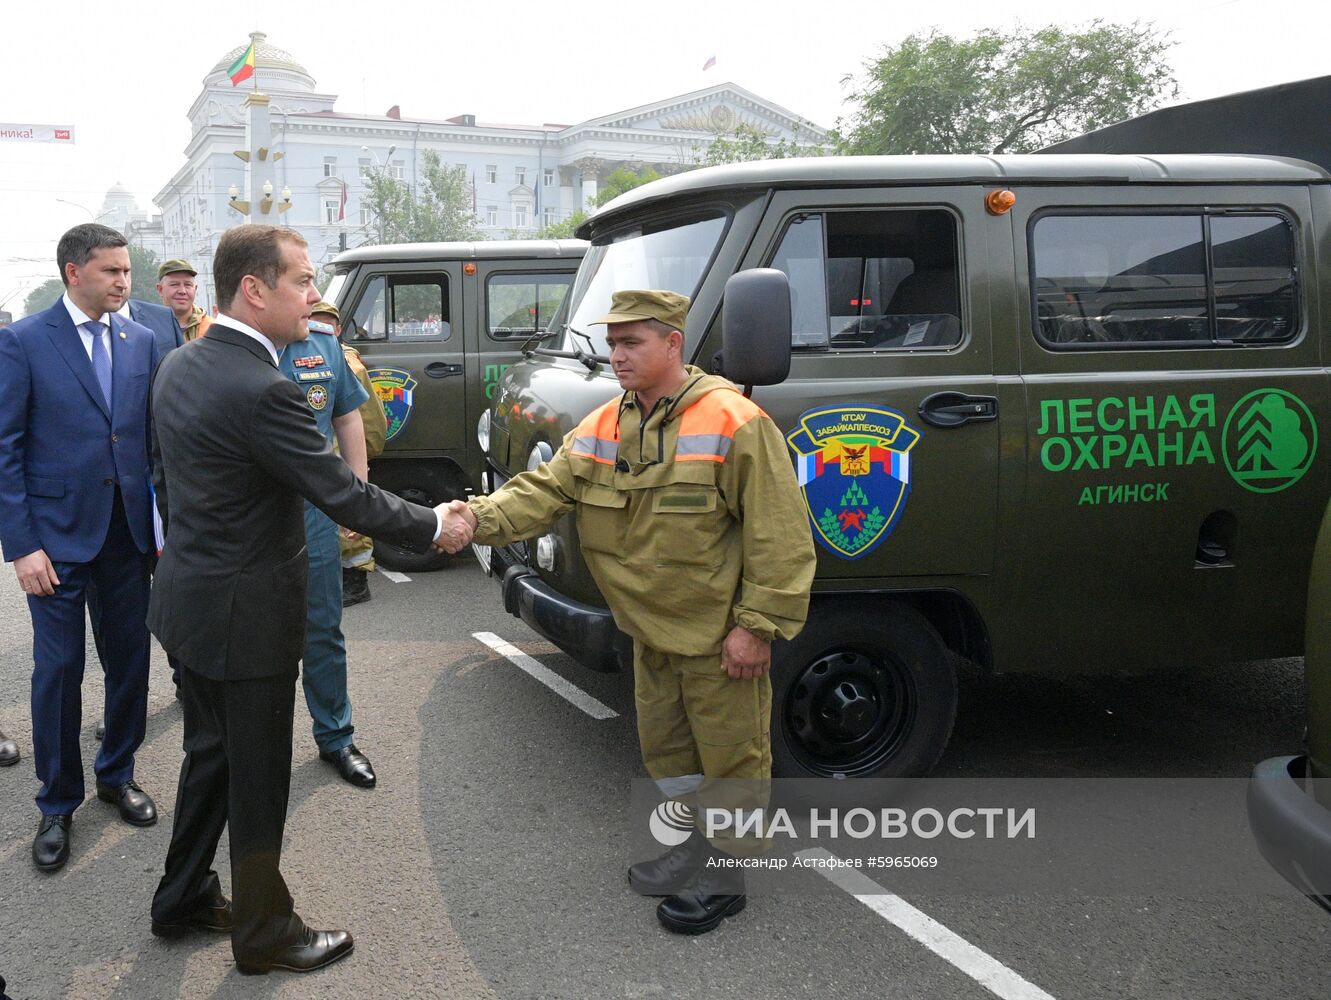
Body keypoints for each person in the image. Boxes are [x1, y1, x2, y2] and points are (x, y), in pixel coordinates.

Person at [441, 289, 816, 934]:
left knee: (732, 760)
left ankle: (729, 876)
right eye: (612, 343)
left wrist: (756, 630)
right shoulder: (607, 424)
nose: (616, 356)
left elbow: (780, 538)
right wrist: (474, 519)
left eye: (631, 342)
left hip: (716, 639)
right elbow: (545, 490)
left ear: (673, 343)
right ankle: (694, 846)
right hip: (648, 633)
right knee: (669, 758)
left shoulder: (734, 421)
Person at [147, 224, 462, 975]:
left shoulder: (180, 364)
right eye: (302, 281)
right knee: (256, 780)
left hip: (189, 605)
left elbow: (168, 480)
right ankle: (264, 934)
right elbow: (343, 495)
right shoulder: (263, 387)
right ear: (253, 291)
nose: (315, 296)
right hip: (245, 620)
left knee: (210, 759)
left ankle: (181, 897)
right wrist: (436, 523)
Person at [0, 223, 162, 873]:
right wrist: (22, 545)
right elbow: (6, 449)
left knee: (129, 665)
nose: (124, 281)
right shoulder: (23, 342)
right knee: (59, 672)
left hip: (127, 536)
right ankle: (58, 801)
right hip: (56, 542)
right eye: (111, 272)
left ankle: (116, 774)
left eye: (126, 271)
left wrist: (162, 528)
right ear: (74, 272)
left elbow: (150, 444)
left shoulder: (144, 339)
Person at [278, 300, 380, 787]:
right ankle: (256, 747)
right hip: (248, 520)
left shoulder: (322, 344)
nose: (312, 292)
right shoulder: (229, 347)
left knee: (323, 629)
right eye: (301, 281)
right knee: (257, 637)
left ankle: (336, 736)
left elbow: (347, 416)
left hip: (314, 512)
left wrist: (355, 495)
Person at [326, 303, 388, 608]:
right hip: (327, 454)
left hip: (345, 454)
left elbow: (371, 420)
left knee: (352, 523)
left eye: (327, 325)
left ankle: (357, 581)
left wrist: (362, 457)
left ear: (337, 330)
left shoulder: (348, 365)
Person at [156, 259, 211, 341]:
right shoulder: (150, 327)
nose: (182, 291)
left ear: (195, 289)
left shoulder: (211, 329)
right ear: (160, 289)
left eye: (188, 285)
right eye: (174, 284)